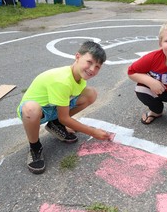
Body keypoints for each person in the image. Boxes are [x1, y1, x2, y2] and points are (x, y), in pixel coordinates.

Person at [17, 41, 111, 174]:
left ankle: (55, 124)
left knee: (91, 94)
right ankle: (35, 147)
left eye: (97, 66)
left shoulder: (79, 78)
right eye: (89, 62)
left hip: (53, 107)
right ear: (77, 57)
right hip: (38, 111)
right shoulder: (62, 80)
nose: (92, 69)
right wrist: (93, 132)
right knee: (31, 109)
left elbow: (65, 110)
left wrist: (63, 120)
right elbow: (65, 117)